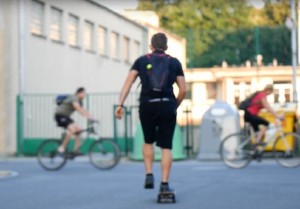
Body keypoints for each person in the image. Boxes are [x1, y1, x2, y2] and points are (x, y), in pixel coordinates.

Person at [115, 33, 186, 194]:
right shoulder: (174, 62)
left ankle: (148, 174)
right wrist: (175, 104)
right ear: (166, 47)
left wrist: (120, 104)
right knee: (167, 146)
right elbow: (183, 89)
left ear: (151, 46)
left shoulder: (141, 61)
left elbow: (128, 82)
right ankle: (165, 184)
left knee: (148, 141)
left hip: (147, 105)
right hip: (167, 105)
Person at [55, 87, 94, 155]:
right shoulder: (73, 98)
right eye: (84, 93)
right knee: (73, 129)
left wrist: (91, 116)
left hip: (66, 116)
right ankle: (61, 148)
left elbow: (83, 110)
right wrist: (90, 117)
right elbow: (78, 109)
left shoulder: (79, 101)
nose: (85, 95)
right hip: (60, 115)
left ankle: (76, 150)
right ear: (79, 93)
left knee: (78, 129)